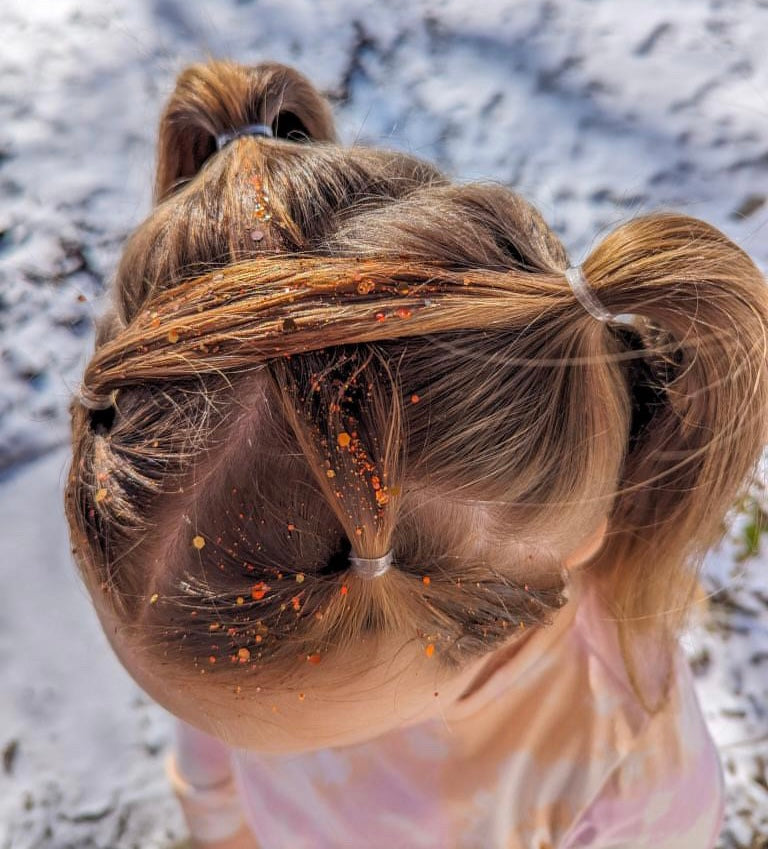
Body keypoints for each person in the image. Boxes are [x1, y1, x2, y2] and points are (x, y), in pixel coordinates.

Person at [63, 57, 768, 849]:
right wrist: (224, 829)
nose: (244, 742)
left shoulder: (625, 766)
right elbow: (217, 760)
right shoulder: (214, 617)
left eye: (302, 736)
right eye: (236, 728)